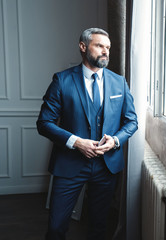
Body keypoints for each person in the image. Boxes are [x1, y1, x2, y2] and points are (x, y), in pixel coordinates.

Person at [37, 28, 138, 240]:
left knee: (99, 227)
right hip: (69, 164)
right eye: (100, 46)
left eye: (108, 48)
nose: (105, 52)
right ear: (83, 47)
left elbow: (131, 121)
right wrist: (76, 142)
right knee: (56, 227)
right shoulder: (62, 80)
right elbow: (44, 123)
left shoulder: (119, 82)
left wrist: (115, 140)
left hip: (106, 166)